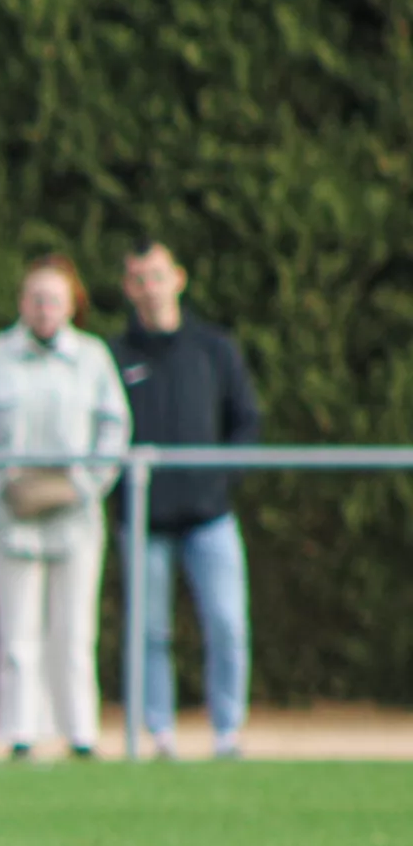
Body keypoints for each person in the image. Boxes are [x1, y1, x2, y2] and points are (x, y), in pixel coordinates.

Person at [0, 254, 131, 760]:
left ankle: (80, 735)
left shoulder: (92, 357)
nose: (44, 308)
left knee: (74, 631)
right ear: (21, 303)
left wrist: (85, 485)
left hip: (75, 515)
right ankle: (20, 734)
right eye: (35, 298)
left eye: (54, 299)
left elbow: (113, 429)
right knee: (17, 632)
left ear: (72, 304)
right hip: (10, 516)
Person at [110, 241, 258, 760]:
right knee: (150, 631)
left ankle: (227, 731)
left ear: (178, 278)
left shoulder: (213, 349)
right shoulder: (115, 355)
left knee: (227, 623)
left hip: (209, 517)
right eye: (139, 279)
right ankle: (160, 735)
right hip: (144, 520)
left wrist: (221, 479)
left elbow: (245, 421)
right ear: (128, 288)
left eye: (157, 276)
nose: (150, 288)